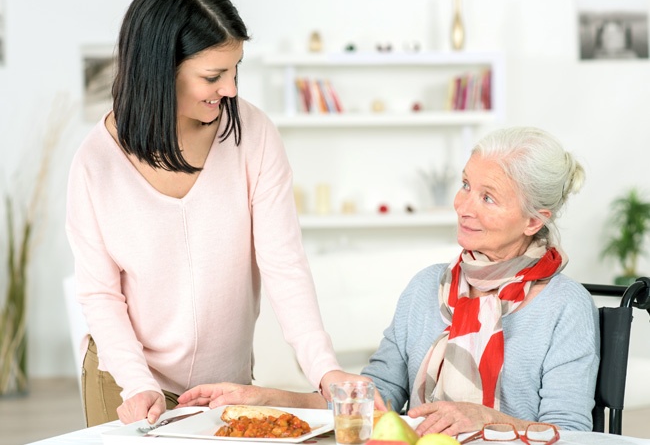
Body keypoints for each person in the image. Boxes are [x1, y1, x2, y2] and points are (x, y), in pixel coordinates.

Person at [178, 127, 598, 437]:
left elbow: (573, 434)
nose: (464, 207)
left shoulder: (565, 306)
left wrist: (487, 418)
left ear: (533, 220)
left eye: (488, 197)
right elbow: (371, 400)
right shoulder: (426, 288)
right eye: (466, 186)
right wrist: (266, 399)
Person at [65, 0, 364, 427]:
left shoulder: (254, 135)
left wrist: (323, 369)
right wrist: (137, 383)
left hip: (226, 386)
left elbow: (283, 264)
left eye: (235, 69)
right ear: (160, 70)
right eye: (213, 75)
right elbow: (100, 293)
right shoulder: (96, 162)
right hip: (128, 381)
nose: (231, 88)